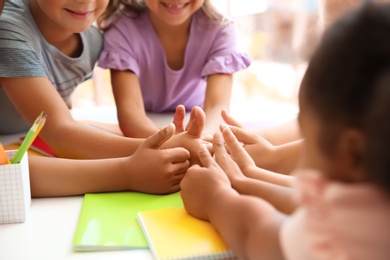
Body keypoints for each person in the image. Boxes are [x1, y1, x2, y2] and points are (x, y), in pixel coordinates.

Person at [180, 3, 390, 259]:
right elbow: (318, 201)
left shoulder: (339, 234)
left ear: (354, 152)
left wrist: (216, 199)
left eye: (306, 138)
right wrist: (246, 177)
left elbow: (256, 235)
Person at [0, 0, 206, 197]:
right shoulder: (8, 28)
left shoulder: (92, 40)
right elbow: (60, 132)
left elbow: (58, 113)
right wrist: (167, 148)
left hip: (25, 138)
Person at [96, 0, 251, 138]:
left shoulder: (221, 29)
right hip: (146, 123)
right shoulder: (121, 27)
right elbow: (131, 113)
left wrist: (202, 139)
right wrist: (169, 143)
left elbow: (217, 107)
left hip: (198, 121)